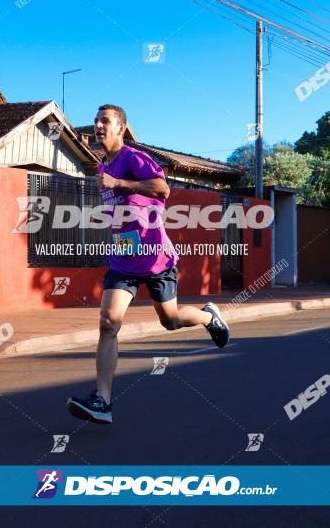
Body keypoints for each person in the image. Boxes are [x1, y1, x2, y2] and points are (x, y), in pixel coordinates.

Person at [66, 104, 230, 424]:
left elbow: (162, 188)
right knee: (108, 323)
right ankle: (103, 401)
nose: (98, 125)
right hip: (123, 258)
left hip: (155, 257)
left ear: (121, 128)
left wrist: (121, 184)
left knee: (169, 320)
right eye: (96, 120)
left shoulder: (133, 159)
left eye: (106, 121)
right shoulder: (102, 166)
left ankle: (208, 317)